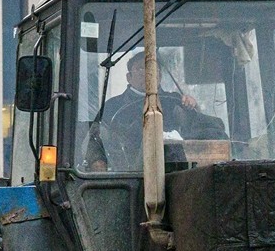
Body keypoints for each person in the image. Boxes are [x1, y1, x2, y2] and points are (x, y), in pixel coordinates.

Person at [86, 51, 226, 171]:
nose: (148, 73)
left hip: (177, 172)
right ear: (129, 77)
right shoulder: (112, 106)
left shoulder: (175, 102)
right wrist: (97, 160)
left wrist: (193, 108)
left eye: (153, 69)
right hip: (128, 174)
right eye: (141, 69)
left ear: (160, 76)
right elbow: (95, 137)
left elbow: (197, 127)